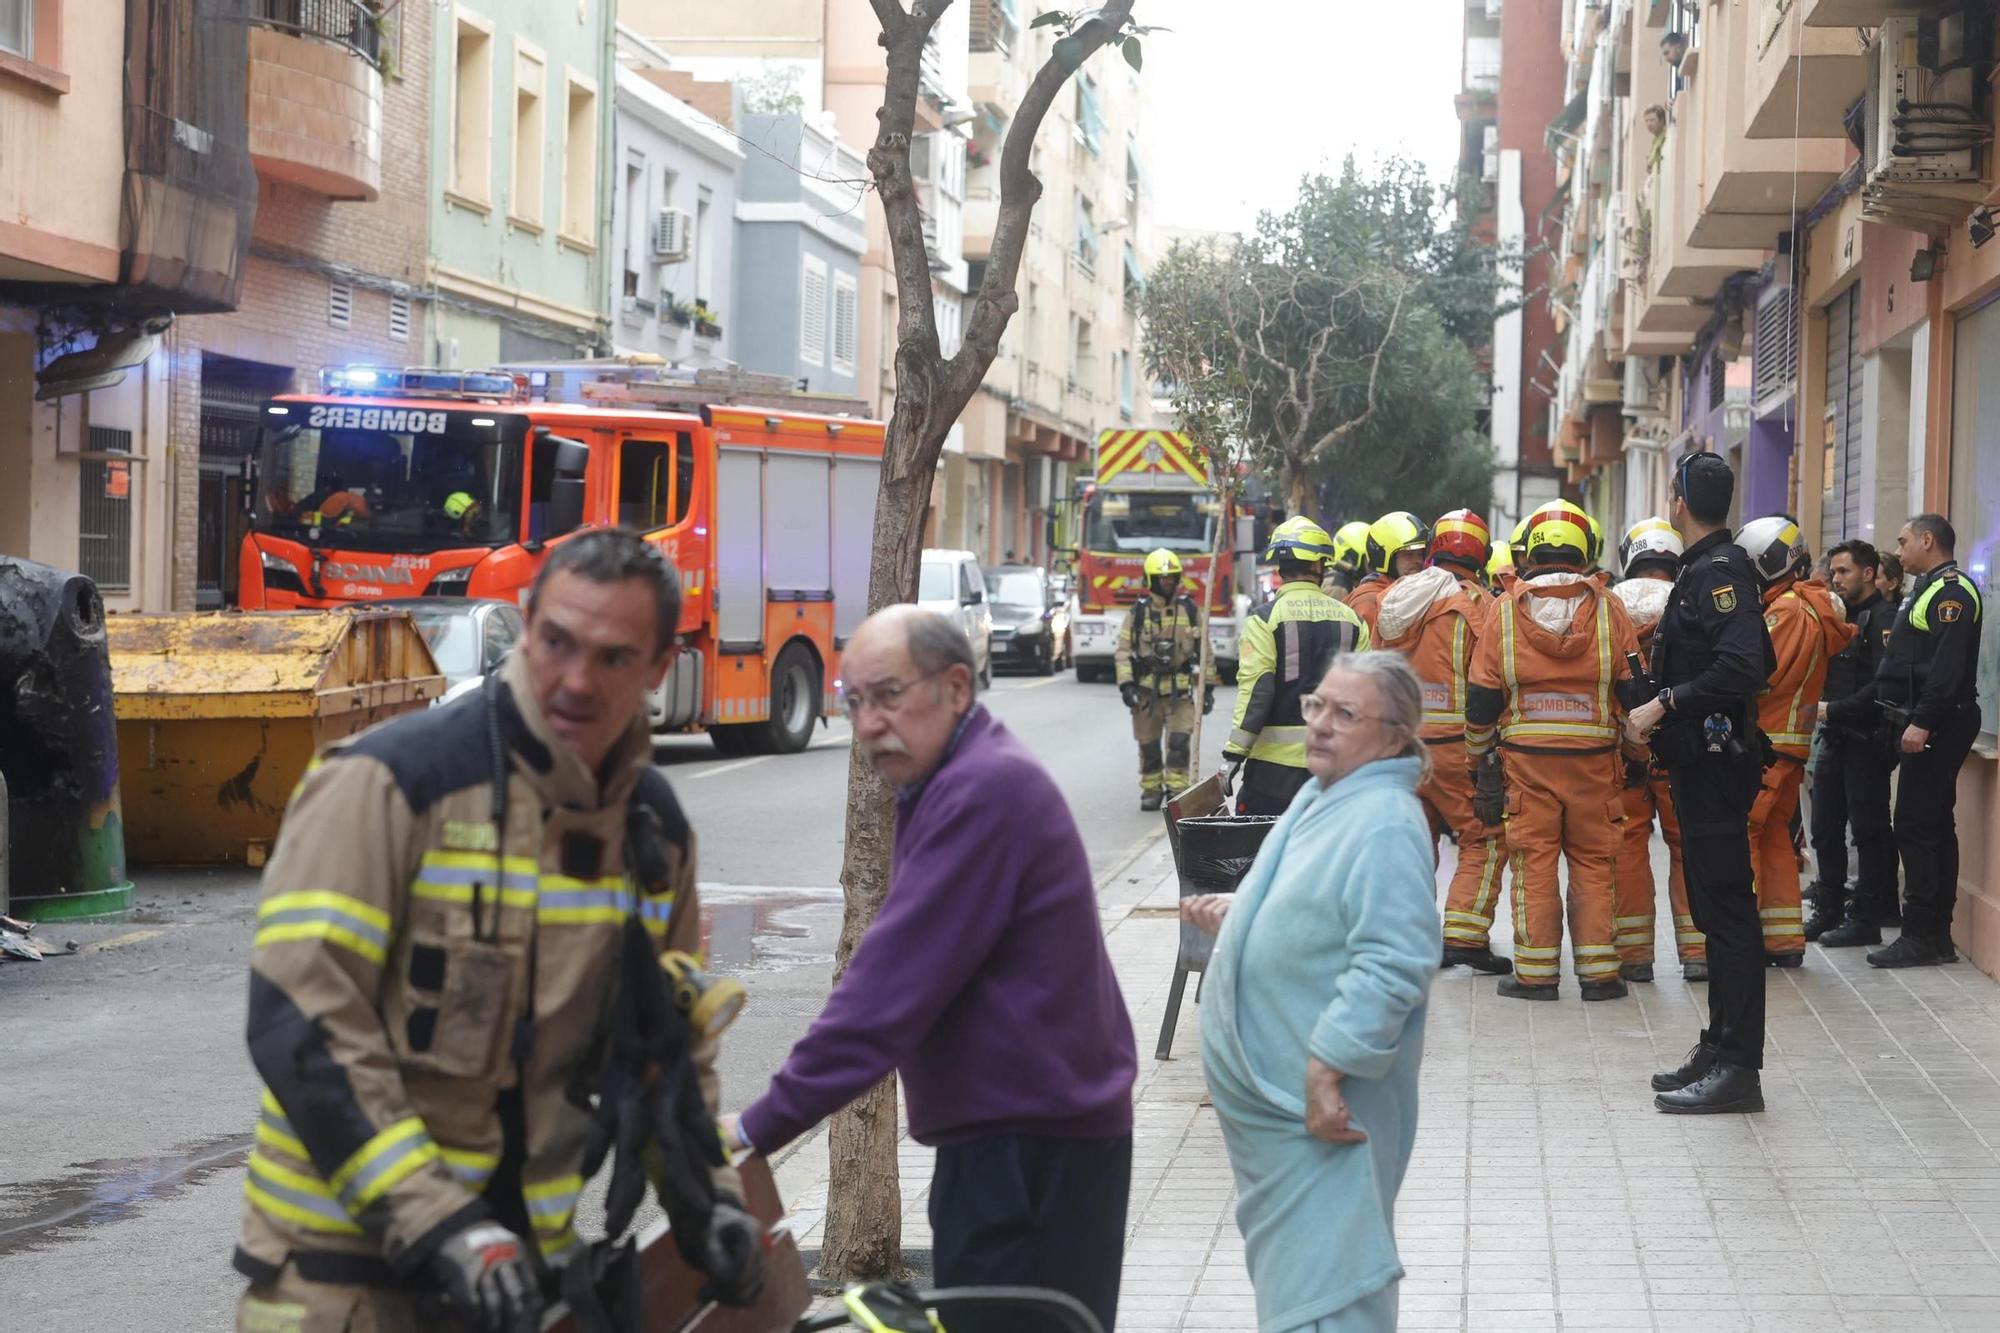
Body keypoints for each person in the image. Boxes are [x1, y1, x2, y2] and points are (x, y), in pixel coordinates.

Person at [233, 529, 764, 1332]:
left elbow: (664, 1052)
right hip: (343, 1281)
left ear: (661, 668)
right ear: (525, 623)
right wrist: (442, 1222)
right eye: (556, 642)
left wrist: (710, 1203)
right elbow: (300, 1021)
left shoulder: (653, 832)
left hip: (518, 1283)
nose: (576, 680)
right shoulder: (390, 782)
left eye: (615, 657)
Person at [726, 607, 1137, 1332]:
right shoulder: (954, 775)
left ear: (955, 685)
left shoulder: (982, 789)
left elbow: (885, 995)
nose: (867, 722)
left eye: (888, 695)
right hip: (1026, 1131)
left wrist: (757, 1126)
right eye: (852, 701)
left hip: (1029, 1149)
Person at [1185, 651, 1441, 1333]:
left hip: (1323, 1108)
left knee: (1329, 1293)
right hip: (1281, 1110)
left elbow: (1394, 958)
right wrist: (1245, 916)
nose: (1321, 725)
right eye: (1317, 705)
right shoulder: (1326, 791)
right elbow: (1317, 904)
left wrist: (1329, 1066)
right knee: (1303, 1285)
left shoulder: (1385, 818)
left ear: (1394, 734)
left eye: (1345, 713)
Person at [1624, 453, 1775, 1114]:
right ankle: (1718, 1045)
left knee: (1729, 912)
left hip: (1716, 761)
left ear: (1679, 500)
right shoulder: (1704, 567)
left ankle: (1740, 1067)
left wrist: (1667, 702)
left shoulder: (1719, 571)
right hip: (1697, 761)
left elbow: (1746, 663)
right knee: (1713, 911)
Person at [1465, 508, 1639, 1001]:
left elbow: (1481, 699)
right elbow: (1634, 694)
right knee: (1594, 862)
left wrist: (1476, 763)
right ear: (1584, 556)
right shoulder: (1609, 609)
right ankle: (1601, 975)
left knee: (1533, 862)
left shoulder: (1504, 610)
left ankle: (1536, 976)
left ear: (1531, 554)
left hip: (1526, 764)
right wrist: (1635, 755)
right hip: (1596, 764)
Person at [1375, 508, 1509, 974]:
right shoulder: (1480, 605)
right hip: (1456, 749)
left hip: (1399, 745)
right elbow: (1493, 681)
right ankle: (1465, 937)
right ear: (1482, 554)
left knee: (1412, 841)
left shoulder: (1395, 600)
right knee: (1484, 837)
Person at [1865, 513, 1982, 968]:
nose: (1897, 550)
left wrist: (1923, 723)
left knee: (1916, 825)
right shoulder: (1929, 587)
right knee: (1930, 824)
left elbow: (1948, 669)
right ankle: (1934, 935)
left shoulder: (1953, 591)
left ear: (1928, 540)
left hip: (1939, 722)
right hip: (1928, 720)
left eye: (1903, 540)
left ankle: (1921, 934)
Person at [1736, 517, 1854, 965]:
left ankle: (1742, 941)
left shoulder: (1786, 611)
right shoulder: (1805, 606)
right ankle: (1782, 941)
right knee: (1774, 843)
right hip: (1787, 745)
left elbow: (1756, 674)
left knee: (1743, 837)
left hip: (1765, 745)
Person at [1608, 517, 1706, 983]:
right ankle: (1699, 951)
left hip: (1626, 749)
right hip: (1681, 745)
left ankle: (1633, 956)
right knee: (1689, 845)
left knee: (1627, 845)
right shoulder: (1690, 604)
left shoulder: (1610, 608)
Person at [1226, 517, 1370, 816]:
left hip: (1272, 775)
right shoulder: (1353, 620)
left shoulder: (1264, 619)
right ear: (1319, 565)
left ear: (1280, 565)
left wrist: (1234, 754)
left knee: (1265, 854)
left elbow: (1257, 690)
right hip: (1334, 768)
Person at [1811, 540, 1902, 945]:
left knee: (1868, 830)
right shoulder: (1838, 615)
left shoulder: (1885, 619)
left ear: (1868, 573)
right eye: (1833, 571)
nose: (1836, 578)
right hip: (1835, 738)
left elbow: (1882, 685)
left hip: (1865, 739)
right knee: (1825, 828)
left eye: (1844, 571)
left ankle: (1866, 916)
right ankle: (1828, 908)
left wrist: (1834, 710)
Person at [1115, 548, 1212, 811]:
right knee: (1149, 746)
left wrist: (1209, 688)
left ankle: (1176, 790)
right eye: (1162, 578)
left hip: (1181, 693)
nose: (1167, 582)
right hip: (1147, 694)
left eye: (1172, 578)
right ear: (1151, 580)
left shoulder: (1190, 610)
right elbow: (1123, 652)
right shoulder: (1137, 614)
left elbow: (1205, 652)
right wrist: (1126, 686)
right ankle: (1151, 789)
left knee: (1179, 743)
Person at [1346, 511, 1430, 634]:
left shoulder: (1415, 593)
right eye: (1409, 554)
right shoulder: (1368, 602)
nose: (1418, 561)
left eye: (1420, 554)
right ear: (1385, 558)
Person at [1321, 520, 1374, 601]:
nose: (1374, 564)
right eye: (1368, 558)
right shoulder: (1338, 587)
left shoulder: (1352, 582)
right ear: (1352, 558)